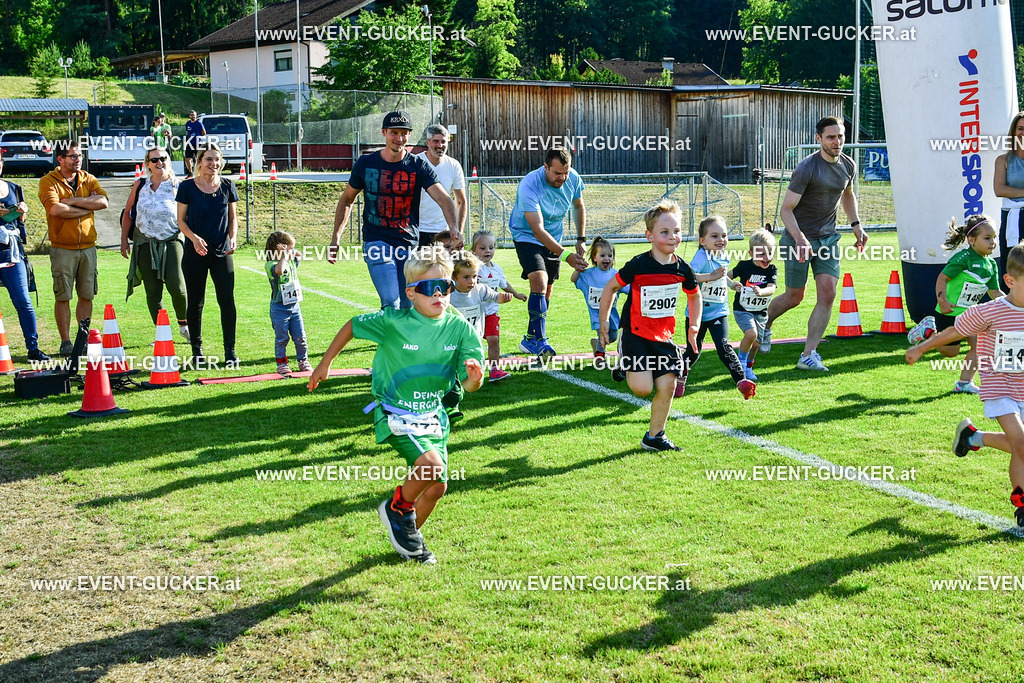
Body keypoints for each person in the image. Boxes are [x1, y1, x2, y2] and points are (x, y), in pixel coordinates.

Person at [308, 248, 485, 564]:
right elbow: (352, 325)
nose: (439, 295)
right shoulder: (393, 322)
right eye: (430, 289)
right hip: (395, 411)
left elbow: (469, 385)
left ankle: (409, 543)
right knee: (431, 467)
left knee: (437, 487)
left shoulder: (460, 329)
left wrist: (474, 378)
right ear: (411, 293)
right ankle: (397, 508)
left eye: (445, 287)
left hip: (434, 415)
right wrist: (325, 364)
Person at [906, 244, 1024, 527]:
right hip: (1001, 389)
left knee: (1021, 446)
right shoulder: (991, 311)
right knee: (1021, 442)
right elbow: (955, 331)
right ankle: (1022, 507)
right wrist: (922, 348)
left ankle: (974, 437)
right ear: (1010, 281)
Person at [763, 115, 867, 371]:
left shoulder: (848, 165)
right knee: (794, 296)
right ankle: (763, 325)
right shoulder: (806, 168)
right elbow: (786, 210)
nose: (837, 141)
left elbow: (848, 194)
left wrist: (856, 225)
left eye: (840, 136)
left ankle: (808, 354)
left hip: (828, 239)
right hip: (797, 238)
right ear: (818, 139)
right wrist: (800, 239)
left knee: (828, 294)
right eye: (831, 137)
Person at [329, 111, 461, 310]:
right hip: (376, 240)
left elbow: (444, 198)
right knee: (391, 301)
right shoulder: (366, 163)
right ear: (384, 132)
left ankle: (403, 342)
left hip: (407, 243)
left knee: (408, 304)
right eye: (394, 133)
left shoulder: (419, 166)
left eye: (404, 133)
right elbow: (347, 200)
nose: (399, 138)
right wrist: (335, 239)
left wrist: (454, 228)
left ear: (409, 135)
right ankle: (391, 339)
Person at [598, 199, 702, 452]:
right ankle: (624, 364)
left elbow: (695, 294)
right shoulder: (639, 265)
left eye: (676, 231)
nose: (672, 237)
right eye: (665, 232)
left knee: (668, 384)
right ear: (650, 236)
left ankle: (654, 437)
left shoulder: (682, 269)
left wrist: (694, 327)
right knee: (643, 389)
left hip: (663, 337)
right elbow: (611, 287)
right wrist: (604, 322)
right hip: (635, 333)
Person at [906, 215, 1002, 394]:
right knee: (949, 352)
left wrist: (1014, 304)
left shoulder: (991, 265)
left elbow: (994, 292)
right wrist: (942, 301)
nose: (993, 242)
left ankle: (964, 383)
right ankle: (929, 333)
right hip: (949, 312)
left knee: (979, 346)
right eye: (987, 238)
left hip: (970, 315)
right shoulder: (963, 258)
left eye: (994, 238)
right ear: (971, 240)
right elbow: (942, 278)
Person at [509, 148, 588, 358]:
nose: (562, 177)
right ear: (545, 167)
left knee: (547, 291)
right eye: (557, 173)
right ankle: (542, 342)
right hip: (527, 236)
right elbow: (537, 229)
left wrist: (581, 239)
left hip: (554, 238)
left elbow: (579, 206)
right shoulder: (529, 184)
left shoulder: (573, 179)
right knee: (540, 280)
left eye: (566, 172)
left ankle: (529, 339)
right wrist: (566, 255)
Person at [38, 140, 109, 356]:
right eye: (73, 156)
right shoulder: (47, 181)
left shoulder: (89, 178)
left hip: (88, 247)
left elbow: (103, 202)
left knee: (87, 295)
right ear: (60, 159)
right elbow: (56, 210)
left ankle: (82, 339)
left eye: (79, 156)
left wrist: (74, 201)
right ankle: (66, 341)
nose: (78, 160)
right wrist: (87, 207)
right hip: (62, 249)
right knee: (63, 296)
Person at [176, 142, 240, 365]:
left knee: (227, 300)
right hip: (195, 252)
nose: (214, 163)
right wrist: (194, 238)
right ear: (200, 162)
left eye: (217, 159)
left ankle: (230, 351)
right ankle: (197, 351)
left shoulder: (227, 186)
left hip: (222, 252)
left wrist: (233, 236)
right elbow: (180, 221)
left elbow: (233, 218)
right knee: (195, 301)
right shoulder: (187, 187)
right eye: (209, 159)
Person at [121, 147, 189, 341]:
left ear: (169, 160)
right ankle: (162, 332)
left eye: (163, 158)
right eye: (154, 160)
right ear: (148, 164)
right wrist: (124, 239)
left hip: (172, 240)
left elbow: (189, 215)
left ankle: (184, 324)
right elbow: (128, 213)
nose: (159, 162)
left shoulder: (179, 185)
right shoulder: (140, 184)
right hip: (145, 242)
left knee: (177, 286)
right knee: (152, 290)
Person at [684, 216, 756, 399]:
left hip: (719, 311)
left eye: (724, 235)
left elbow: (722, 276)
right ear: (703, 241)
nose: (721, 240)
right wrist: (710, 275)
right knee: (693, 351)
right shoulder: (701, 257)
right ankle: (679, 376)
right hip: (697, 312)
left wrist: (731, 285)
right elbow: (690, 277)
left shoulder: (723, 255)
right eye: (714, 236)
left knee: (724, 346)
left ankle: (741, 380)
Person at [0, 156, 49, 361]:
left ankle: (33, 349)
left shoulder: (13, 187)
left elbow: (21, 224)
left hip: (11, 251)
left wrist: (22, 213)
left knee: (23, 302)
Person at [472, 229, 526, 381]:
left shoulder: (497, 269)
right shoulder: (472, 268)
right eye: (482, 248)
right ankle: (467, 370)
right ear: (474, 250)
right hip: (474, 313)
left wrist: (515, 294)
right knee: (471, 343)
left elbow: (504, 284)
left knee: (494, 340)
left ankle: (494, 369)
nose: (487, 251)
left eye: (491, 247)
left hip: (491, 313)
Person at [728, 228, 778, 382]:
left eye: (769, 253)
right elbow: (726, 276)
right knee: (751, 334)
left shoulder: (771, 269)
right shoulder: (744, 266)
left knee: (756, 344)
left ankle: (748, 368)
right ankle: (740, 365)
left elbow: (771, 288)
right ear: (751, 253)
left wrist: (761, 292)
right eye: (761, 254)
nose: (766, 257)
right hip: (743, 309)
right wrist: (732, 285)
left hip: (761, 311)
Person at [571, 236, 627, 360]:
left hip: (610, 314)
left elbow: (627, 288)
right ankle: (600, 357)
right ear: (595, 258)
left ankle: (596, 344)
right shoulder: (588, 274)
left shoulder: (615, 275)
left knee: (612, 336)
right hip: (596, 313)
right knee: (603, 332)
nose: (607, 258)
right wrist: (577, 269)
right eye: (602, 256)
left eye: (610, 255)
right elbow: (574, 280)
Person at [265, 231, 311, 375]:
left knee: (300, 336)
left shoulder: (291, 261)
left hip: (294, 306)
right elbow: (279, 270)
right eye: (289, 248)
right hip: (279, 308)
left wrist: (290, 251)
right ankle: (282, 363)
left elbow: (299, 256)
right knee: (282, 338)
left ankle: (303, 360)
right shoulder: (270, 264)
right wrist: (284, 255)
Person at [415, 124, 467, 247]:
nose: (440, 145)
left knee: (446, 266)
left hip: (444, 231)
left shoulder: (453, 165)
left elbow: (461, 201)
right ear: (428, 143)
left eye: (443, 141)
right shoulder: (415, 162)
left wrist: (457, 232)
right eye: (436, 141)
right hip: (418, 229)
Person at [994, 111, 1024, 290]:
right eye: (1020, 128)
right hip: (1013, 219)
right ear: (1014, 132)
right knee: (1011, 263)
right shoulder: (1003, 160)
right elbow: (999, 189)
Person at [183, 110, 206, 178]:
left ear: (196, 116)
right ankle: (190, 172)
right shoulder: (188, 123)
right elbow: (188, 132)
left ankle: (199, 171)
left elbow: (203, 132)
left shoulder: (199, 123)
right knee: (187, 158)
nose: (192, 116)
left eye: (194, 115)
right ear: (189, 116)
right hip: (190, 143)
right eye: (191, 115)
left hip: (198, 143)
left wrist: (198, 137)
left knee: (198, 158)